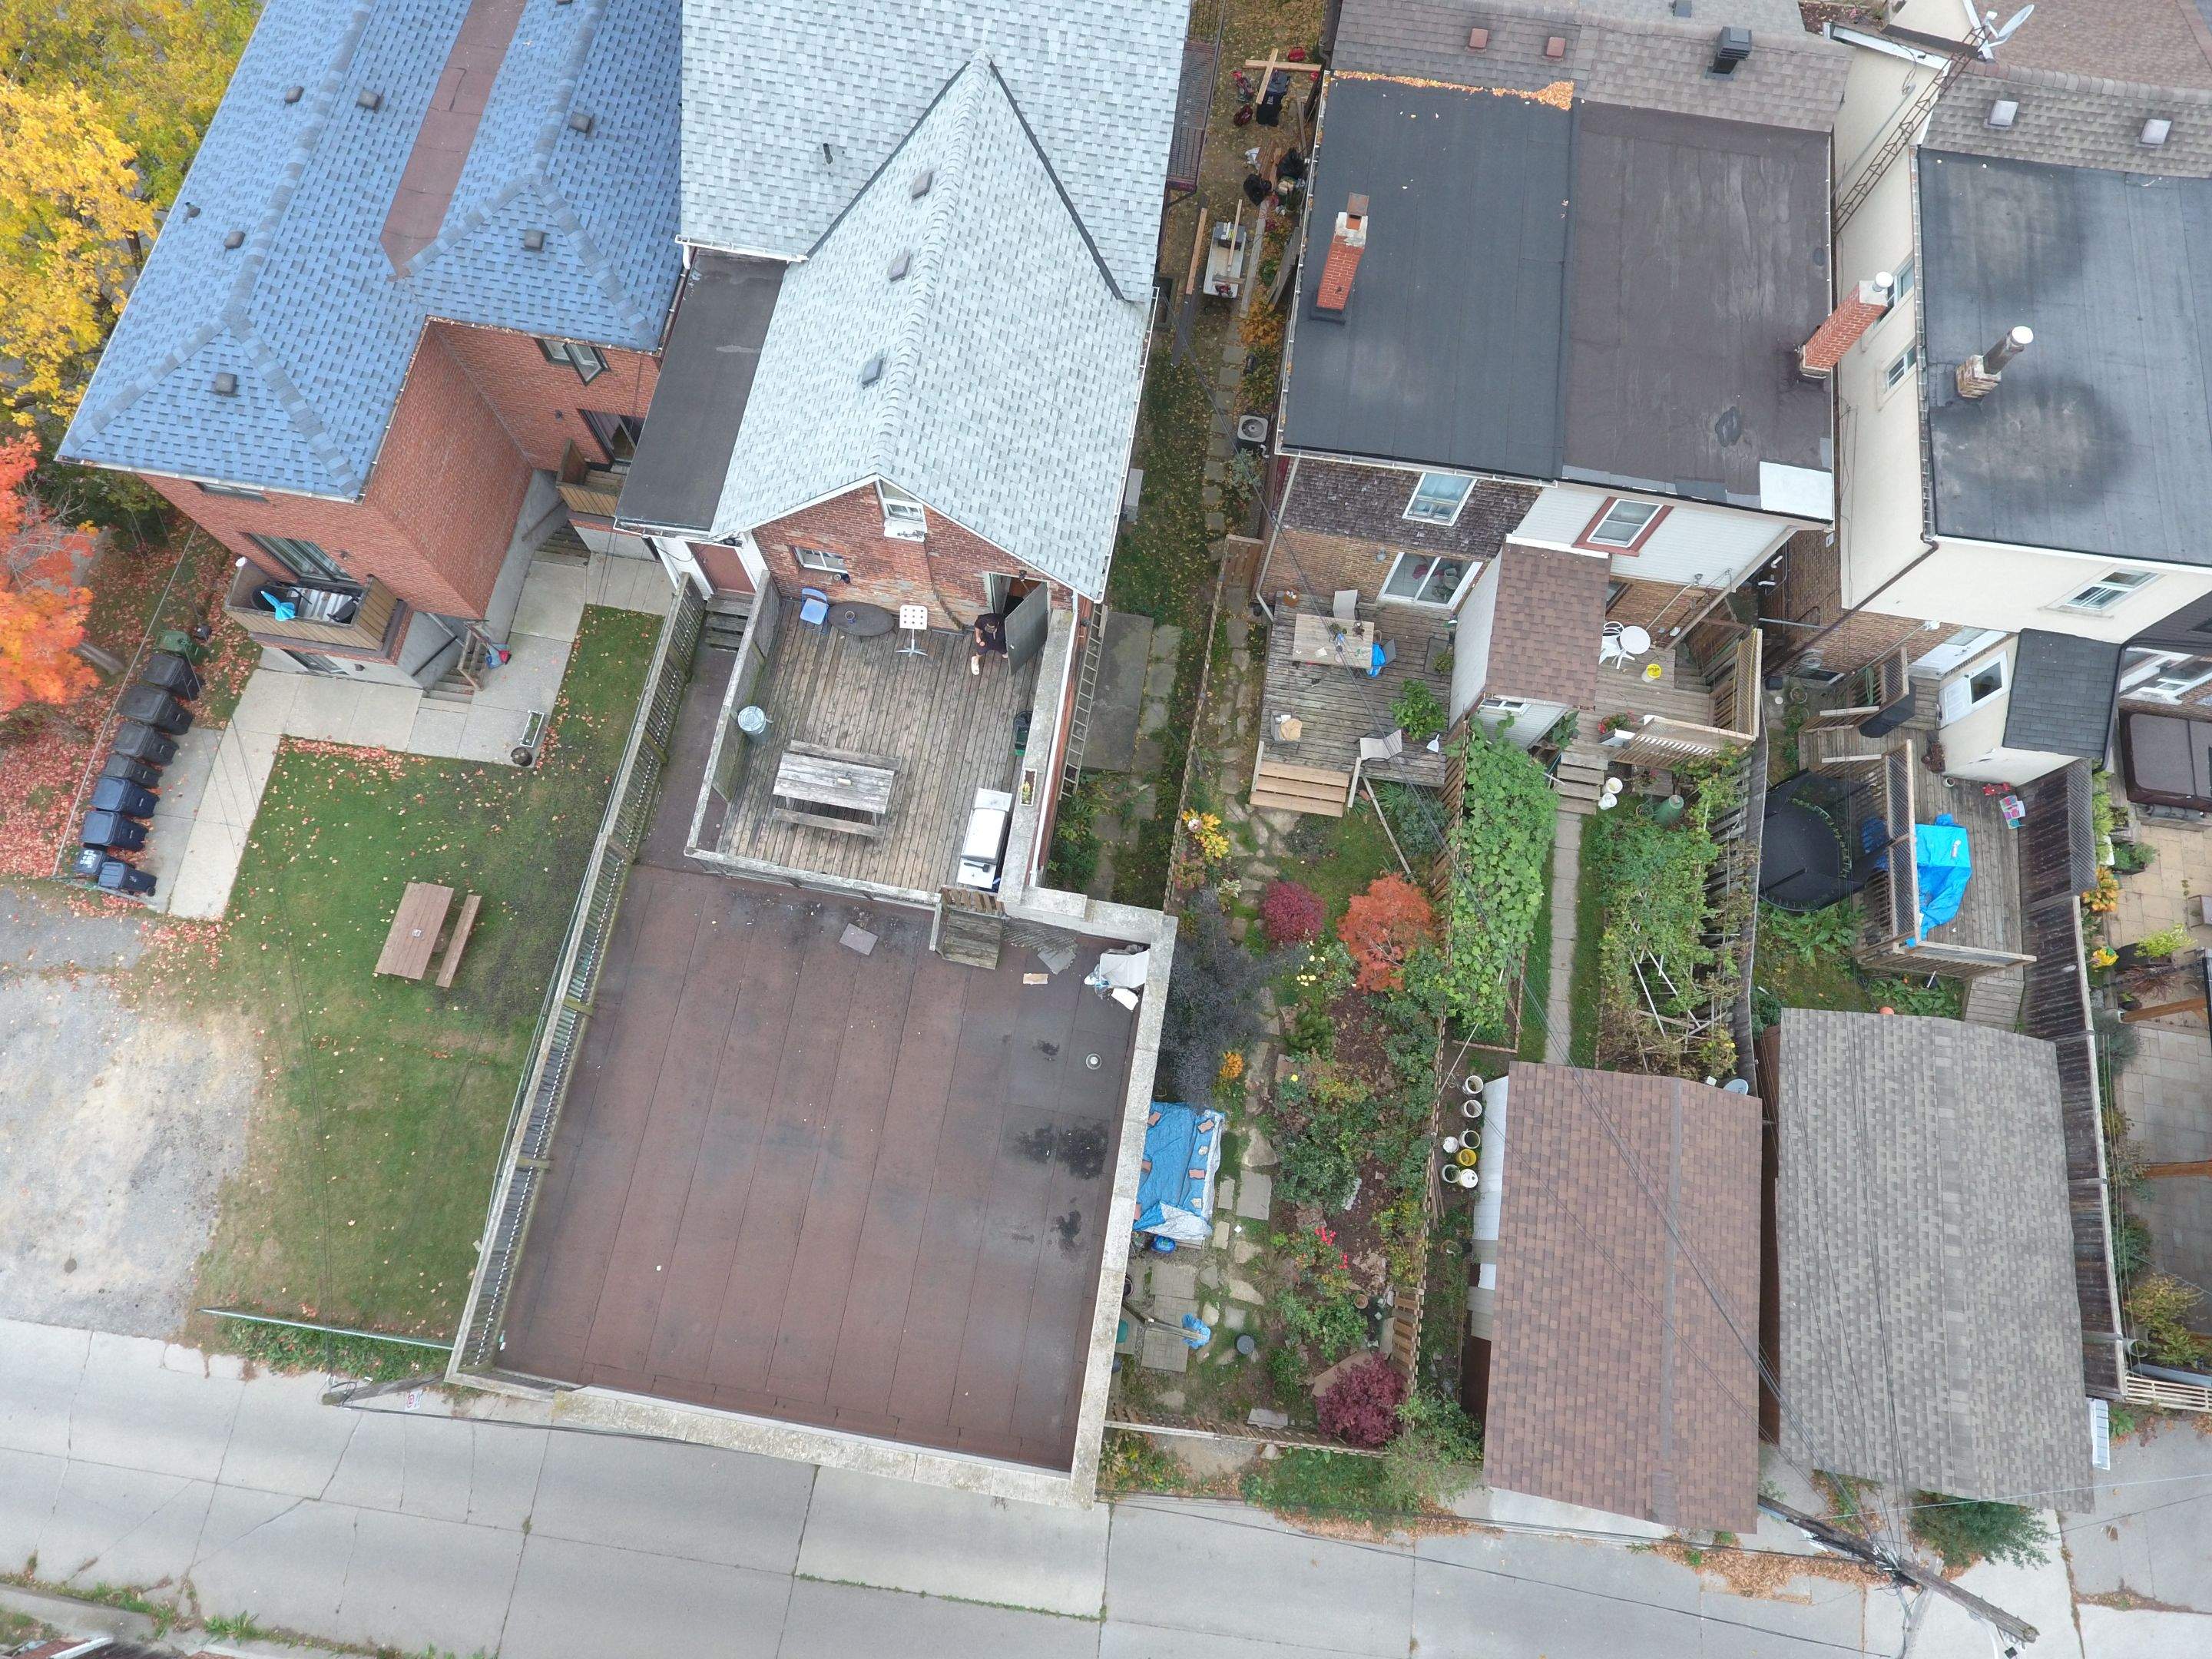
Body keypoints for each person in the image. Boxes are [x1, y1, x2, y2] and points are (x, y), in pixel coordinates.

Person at [970, 608, 1007, 675]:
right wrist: (977, 636)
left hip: (1000, 641)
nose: (990, 630)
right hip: (987, 639)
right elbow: (977, 625)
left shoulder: (1005, 622)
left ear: (997, 624)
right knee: (981, 649)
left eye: (992, 629)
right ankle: (976, 659)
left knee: (1005, 655)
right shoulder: (984, 619)